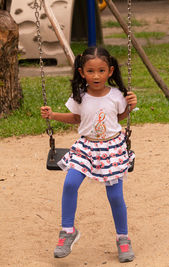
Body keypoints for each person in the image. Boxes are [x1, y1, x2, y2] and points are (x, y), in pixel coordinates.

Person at [40, 47, 137, 263]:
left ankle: (123, 237)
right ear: (82, 73)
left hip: (111, 148)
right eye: (91, 71)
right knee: (70, 184)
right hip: (86, 147)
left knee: (115, 196)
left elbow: (119, 117)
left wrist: (130, 107)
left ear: (110, 71)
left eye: (101, 71)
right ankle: (67, 231)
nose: (96, 76)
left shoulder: (116, 95)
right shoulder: (80, 96)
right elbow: (76, 118)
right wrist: (53, 115)